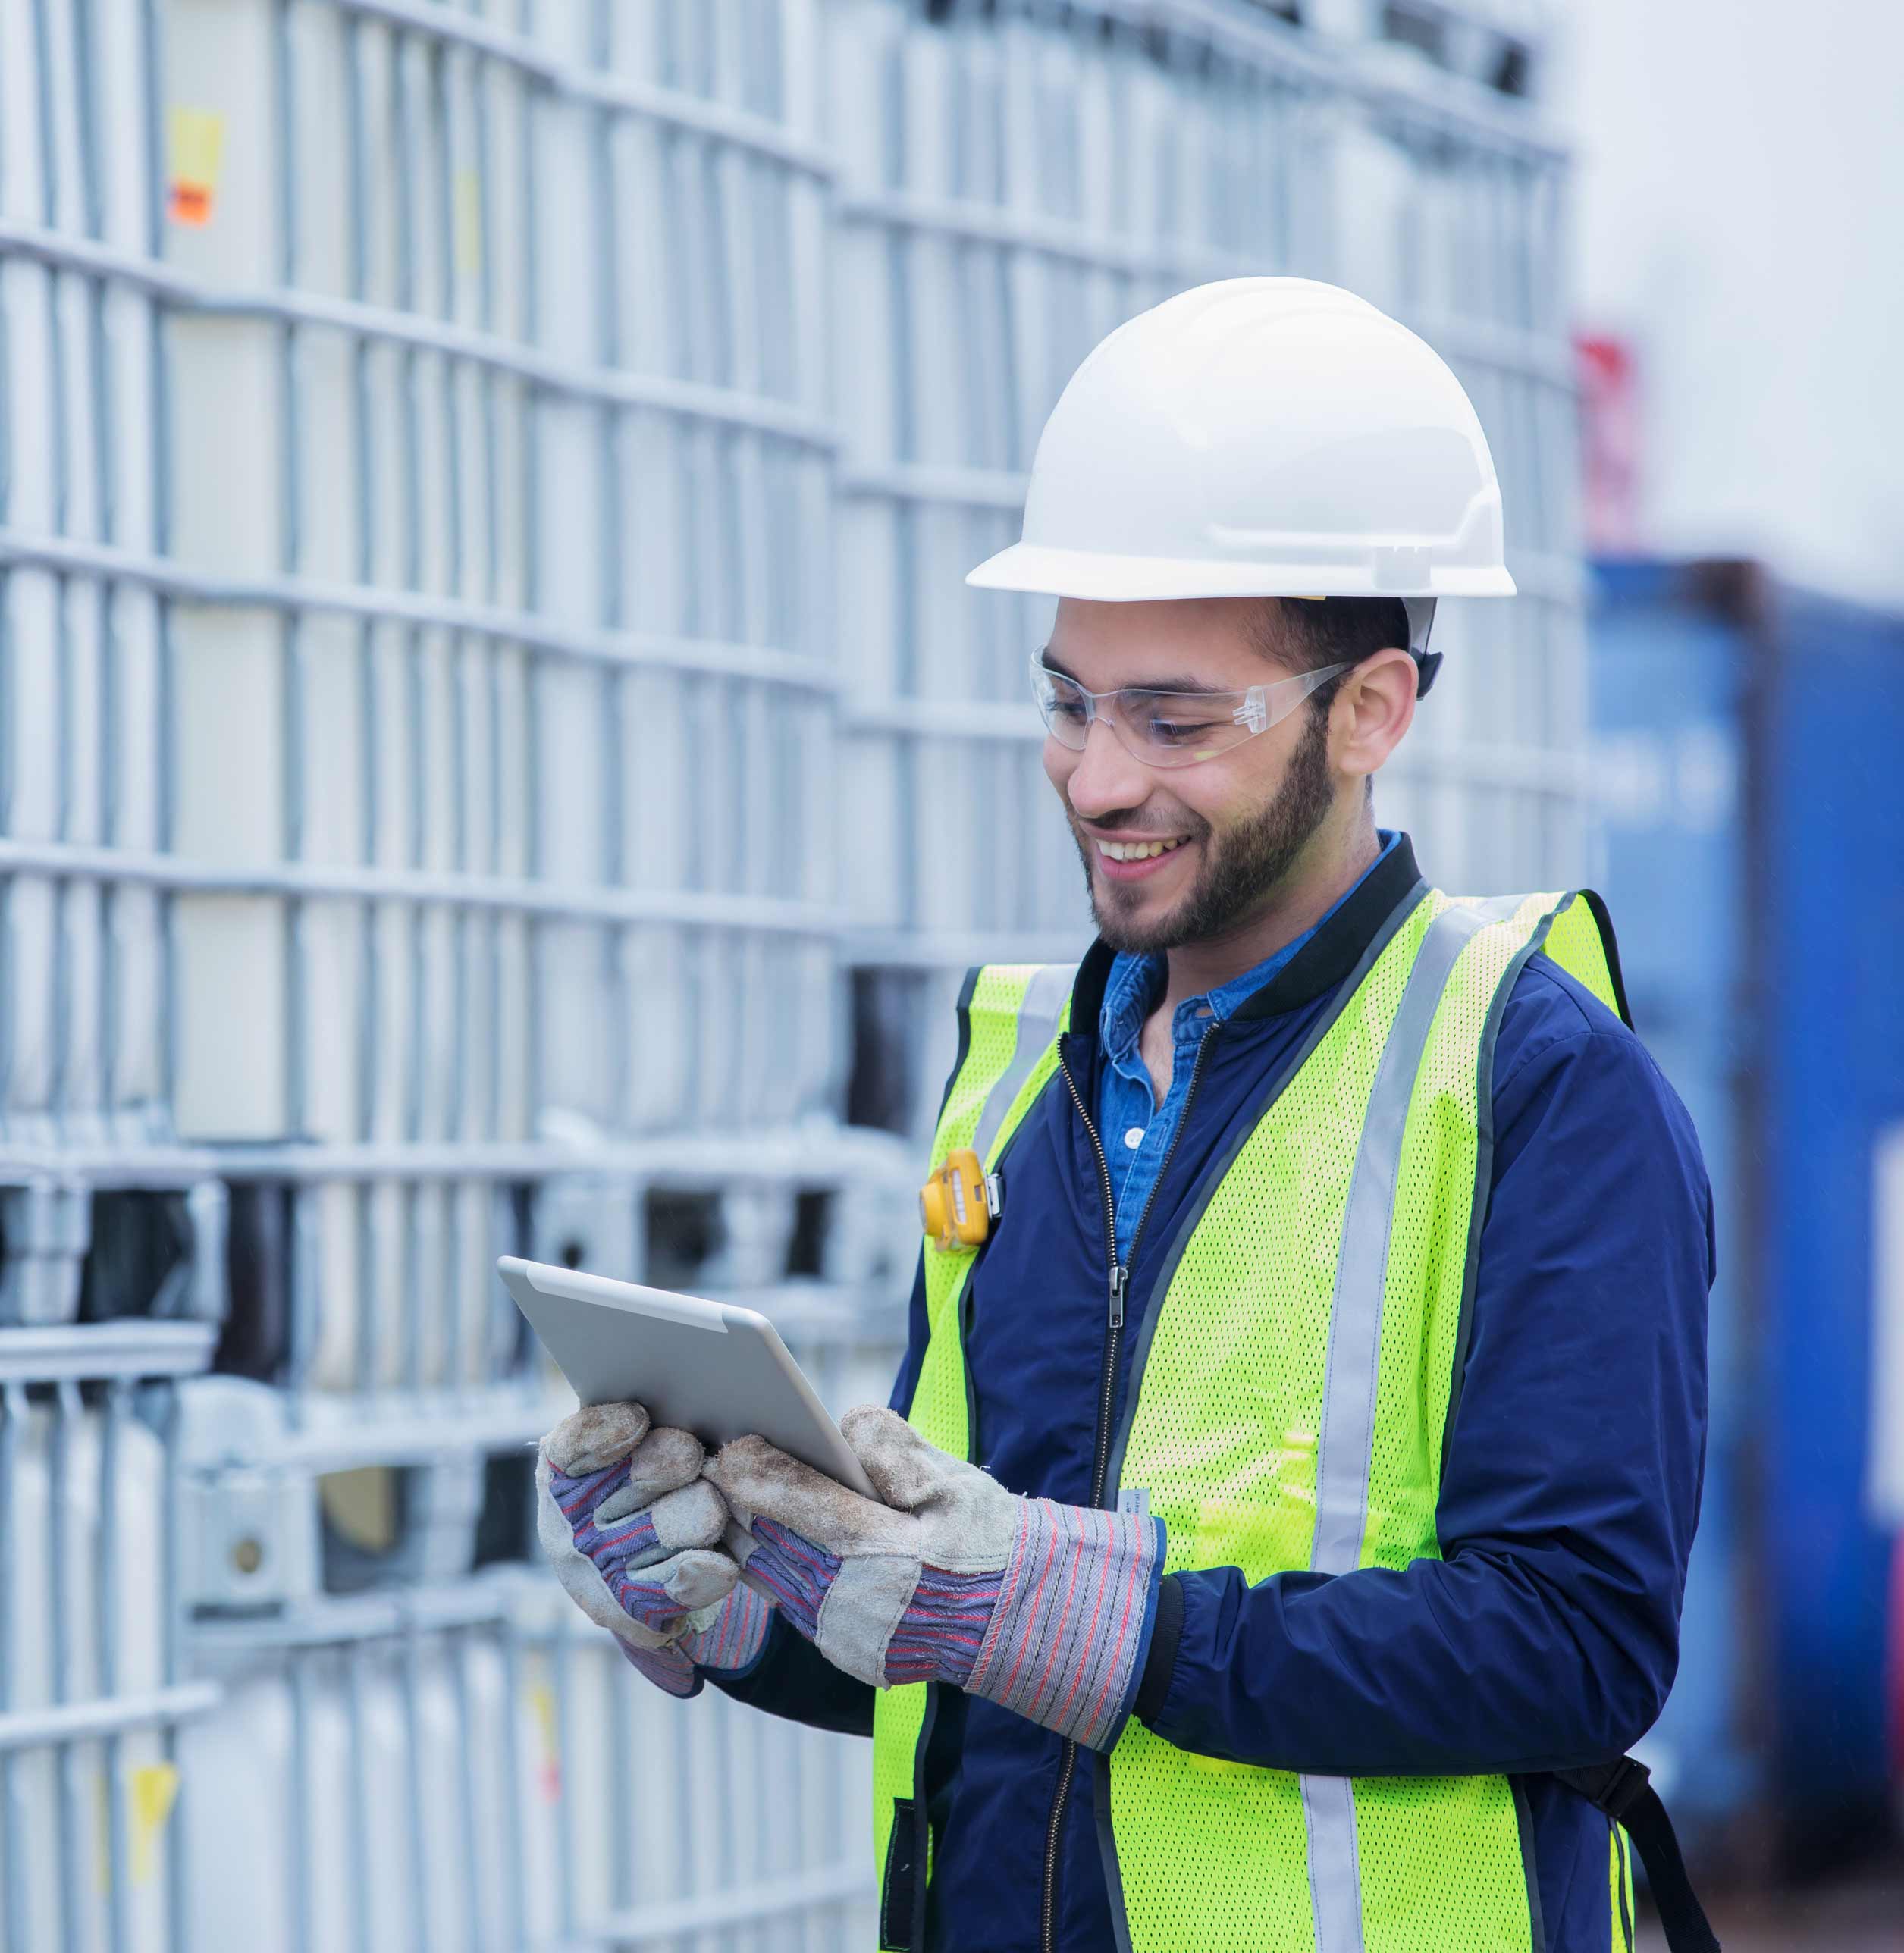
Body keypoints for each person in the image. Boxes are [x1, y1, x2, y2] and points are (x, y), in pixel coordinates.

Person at [535, 279, 1717, 1953]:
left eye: (1172, 718)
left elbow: (1573, 1641)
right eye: (1068, 700)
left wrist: (1090, 1620)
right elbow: (966, 1640)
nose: (1096, 776)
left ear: (1371, 708)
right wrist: (738, 1598)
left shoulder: (1536, 1082)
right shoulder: (1019, 1078)